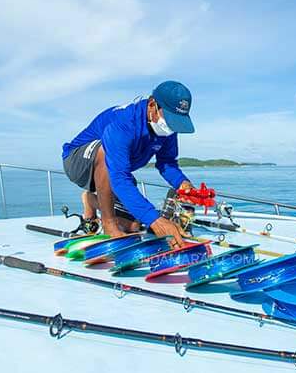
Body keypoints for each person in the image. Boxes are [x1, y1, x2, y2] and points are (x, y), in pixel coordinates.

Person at [62, 81, 196, 249]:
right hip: (77, 162)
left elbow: (167, 162)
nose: (171, 127)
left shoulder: (167, 131)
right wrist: (155, 219)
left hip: (112, 172)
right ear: (153, 105)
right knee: (105, 152)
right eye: (169, 119)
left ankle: (90, 200)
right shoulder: (123, 123)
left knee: (133, 226)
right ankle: (109, 223)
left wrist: (182, 183)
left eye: (176, 122)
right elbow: (119, 178)